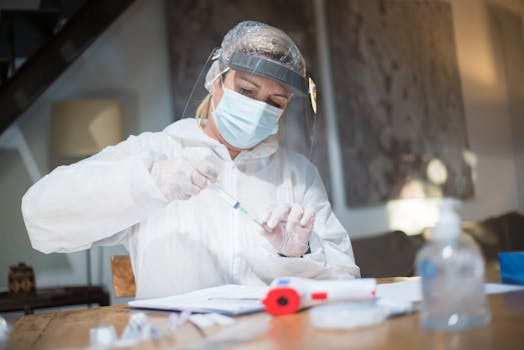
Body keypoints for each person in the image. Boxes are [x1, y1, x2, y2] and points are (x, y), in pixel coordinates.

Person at [21, 21, 360, 299]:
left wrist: (298, 255)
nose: (259, 109)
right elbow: (40, 217)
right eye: (246, 91)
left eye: (275, 101)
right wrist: (149, 184)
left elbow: (347, 279)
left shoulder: (298, 175)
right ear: (216, 79)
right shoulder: (158, 152)